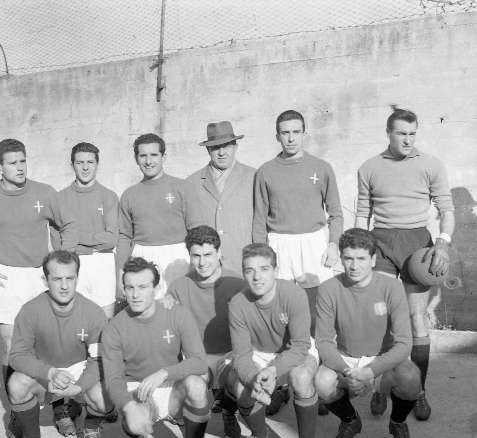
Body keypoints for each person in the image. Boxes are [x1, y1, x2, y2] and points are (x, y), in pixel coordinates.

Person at [0, 138, 77, 426]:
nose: (20, 167)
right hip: (6, 278)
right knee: (12, 346)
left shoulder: (44, 192)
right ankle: (19, 413)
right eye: (12, 163)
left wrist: (63, 259)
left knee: (52, 343)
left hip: (41, 275)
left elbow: (69, 224)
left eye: (23, 161)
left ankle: (60, 407)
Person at [355, 107, 454, 420]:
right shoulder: (369, 167)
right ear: (389, 133)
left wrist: (443, 243)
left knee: (416, 318)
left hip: (416, 244)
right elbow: (362, 214)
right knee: (381, 318)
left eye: (412, 134)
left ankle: (418, 391)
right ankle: (381, 387)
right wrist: (358, 251)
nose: (408, 140)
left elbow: (446, 209)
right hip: (381, 242)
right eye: (402, 133)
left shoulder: (431, 165)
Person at [101, 257, 212, 438]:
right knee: (134, 422)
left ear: (156, 288)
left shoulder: (178, 314)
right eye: (130, 287)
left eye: (143, 287)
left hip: (170, 385)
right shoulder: (114, 327)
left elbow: (200, 362)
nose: (135, 294)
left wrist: (164, 373)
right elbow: (113, 379)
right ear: (123, 289)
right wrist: (129, 406)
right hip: (139, 389)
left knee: (197, 385)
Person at [314, 228, 421, 438]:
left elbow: (404, 343)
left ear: (373, 260)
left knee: (411, 378)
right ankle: (350, 421)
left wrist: (370, 372)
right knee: (322, 382)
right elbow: (323, 341)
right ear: (341, 258)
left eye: (361, 258)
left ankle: (398, 423)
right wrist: (348, 372)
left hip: (381, 360)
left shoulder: (392, 287)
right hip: (347, 359)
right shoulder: (328, 289)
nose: (354, 266)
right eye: (348, 258)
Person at [6, 250, 110, 438]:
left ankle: (91, 429)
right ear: (46, 280)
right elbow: (17, 355)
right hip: (46, 372)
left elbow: (99, 359)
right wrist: (49, 372)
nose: (64, 286)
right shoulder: (30, 310)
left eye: (70, 278)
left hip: (78, 372)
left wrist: (79, 387)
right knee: (16, 385)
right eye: (57, 279)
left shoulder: (93, 313)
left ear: (77, 278)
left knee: (105, 395)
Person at [224, 243, 320, 438]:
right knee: (239, 385)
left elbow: (300, 345)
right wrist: (254, 377)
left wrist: (273, 370)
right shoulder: (237, 303)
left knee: (301, 377)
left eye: (264, 269)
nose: (257, 277)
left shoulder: (294, 294)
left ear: (276, 270)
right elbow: (242, 355)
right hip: (258, 353)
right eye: (250, 270)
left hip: (293, 350)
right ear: (244, 273)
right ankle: (259, 436)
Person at [252, 109, 344, 325]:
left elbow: (336, 213)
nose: (291, 138)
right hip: (279, 243)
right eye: (285, 133)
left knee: (318, 304)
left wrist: (333, 244)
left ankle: (318, 344)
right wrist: (261, 255)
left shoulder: (321, 168)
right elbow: (259, 219)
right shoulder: (265, 172)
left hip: (313, 243)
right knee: (281, 305)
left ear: (304, 134)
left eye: (296, 132)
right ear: (277, 136)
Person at [166, 225, 247, 438]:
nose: (202, 262)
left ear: (219, 253)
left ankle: (229, 410)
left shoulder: (237, 283)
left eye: (208, 254)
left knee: (241, 380)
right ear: (189, 256)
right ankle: (192, 431)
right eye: (196, 256)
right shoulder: (179, 287)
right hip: (197, 357)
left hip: (229, 354)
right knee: (193, 385)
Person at [116, 133, 202, 299]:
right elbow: (124, 237)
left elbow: (196, 231)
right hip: (143, 257)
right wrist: (121, 271)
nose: (148, 161)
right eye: (143, 156)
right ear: (136, 159)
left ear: (164, 156)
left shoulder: (183, 187)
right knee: (145, 308)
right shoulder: (129, 195)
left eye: (154, 155)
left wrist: (197, 263)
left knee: (179, 305)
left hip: (178, 257)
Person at [52, 142, 118, 317]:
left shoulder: (109, 196)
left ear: (97, 164)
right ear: (72, 165)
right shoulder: (59, 198)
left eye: (90, 162)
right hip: (72, 262)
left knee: (105, 319)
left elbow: (111, 239)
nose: (85, 168)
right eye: (80, 162)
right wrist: (93, 242)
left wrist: (74, 237)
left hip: (102, 262)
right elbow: (58, 243)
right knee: (75, 318)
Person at [187, 121, 255, 271]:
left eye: (226, 146)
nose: (222, 152)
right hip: (207, 267)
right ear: (208, 150)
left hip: (243, 262)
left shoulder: (253, 177)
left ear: (235, 147)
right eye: (216, 147)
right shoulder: (191, 183)